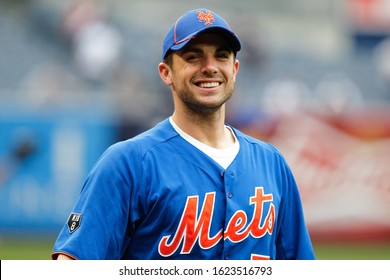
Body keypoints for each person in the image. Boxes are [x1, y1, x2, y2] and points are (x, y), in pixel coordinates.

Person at [52, 8, 315, 260]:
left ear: (234, 70)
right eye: (193, 56)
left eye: (222, 55)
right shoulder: (128, 163)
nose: (210, 66)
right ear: (166, 73)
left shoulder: (272, 163)